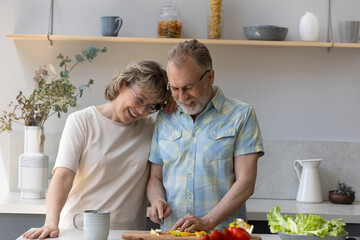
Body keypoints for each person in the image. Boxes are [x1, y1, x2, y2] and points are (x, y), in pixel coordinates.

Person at [23, 60, 172, 239]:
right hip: (78, 231)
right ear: (123, 84)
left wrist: (176, 104)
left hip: (126, 234)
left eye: (151, 106)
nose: (141, 110)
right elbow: (63, 177)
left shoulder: (151, 129)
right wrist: (51, 222)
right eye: (140, 99)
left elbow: (153, 178)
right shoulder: (81, 121)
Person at [146, 39, 264, 232]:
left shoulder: (241, 115)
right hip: (173, 234)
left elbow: (246, 183)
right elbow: (155, 178)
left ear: (210, 77)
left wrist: (208, 221)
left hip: (224, 234)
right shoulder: (165, 117)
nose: (181, 97)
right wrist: (157, 200)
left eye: (188, 87)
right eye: (174, 89)